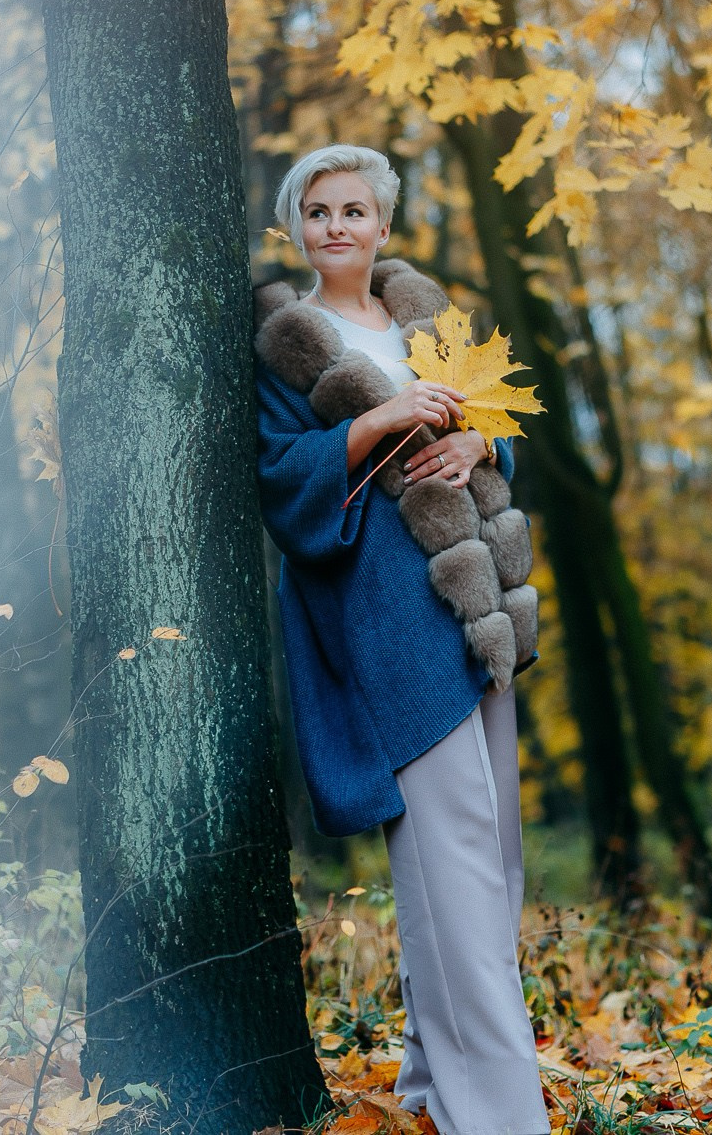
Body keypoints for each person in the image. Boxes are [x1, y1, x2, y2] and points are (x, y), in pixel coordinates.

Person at [251, 144, 549, 1135]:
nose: (336, 226)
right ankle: (500, 1117)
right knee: (451, 873)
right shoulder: (286, 344)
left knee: (490, 866)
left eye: (354, 210)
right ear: (298, 228)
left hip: (478, 618)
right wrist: (380, 417)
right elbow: (283, 482)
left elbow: (499, 426)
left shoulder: (432, 323)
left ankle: (431, 1089)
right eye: (318, 211)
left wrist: (478, 439)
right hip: (388, 624)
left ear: (382, 225)